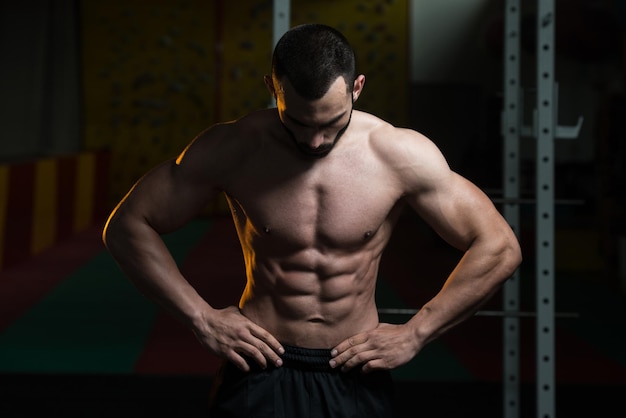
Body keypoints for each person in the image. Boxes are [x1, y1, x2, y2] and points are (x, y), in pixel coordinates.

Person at [103, 23, 522, 418]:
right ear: (273, 89)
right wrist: (201, 317)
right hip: (261, 363)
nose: (314, 140)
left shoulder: (399, 155)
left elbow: (499, 246)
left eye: (331, 123)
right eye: (298, 122)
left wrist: (417, 332)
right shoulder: (235, 148)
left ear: (357, 88)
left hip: (355, 368)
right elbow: (127, 226)